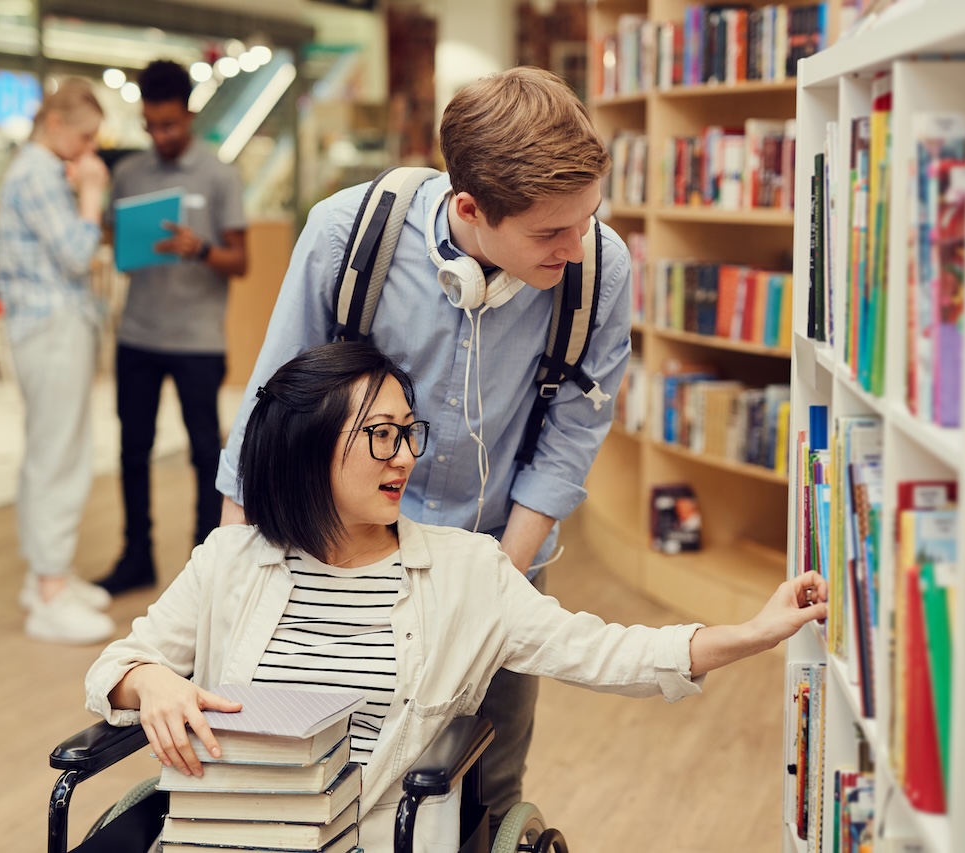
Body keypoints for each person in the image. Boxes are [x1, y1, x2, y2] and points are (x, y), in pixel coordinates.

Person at [86, 342, 828, 852]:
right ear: (309, 445)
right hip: (223, 834)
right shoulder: (231, 559)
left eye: (410, 432)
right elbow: (119, 663)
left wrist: (752, 632)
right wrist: (150, 680)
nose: (405, 455)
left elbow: (607, 652)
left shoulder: (468, 571)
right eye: (381, 435)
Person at [215, 66, 627, 827]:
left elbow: (572, 431)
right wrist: (234, 588)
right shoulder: (348, 238)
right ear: (469, 206)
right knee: (321, 783)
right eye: (549, 232)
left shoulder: (598, 266)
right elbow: (269, 414)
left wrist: (488, 587)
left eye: (588, 218)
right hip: (340, 563)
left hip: (499, 554)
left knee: (486, 787)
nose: (577, 246)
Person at [96, 59, 249, 597]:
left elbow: (241, 260)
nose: (161, 135)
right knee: (131, 451)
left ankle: (204, 570)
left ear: (188, 115)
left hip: (197, 341)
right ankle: (136, 555)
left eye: (170, 125)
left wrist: (200, 248)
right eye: (151, 125)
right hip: (137, 334)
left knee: (206, 453)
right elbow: (114, 245)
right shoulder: (128, 175)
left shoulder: (219, 175)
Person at [0, 78, 114, 644]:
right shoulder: (41, 171)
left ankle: (47, 575)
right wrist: (90, 193)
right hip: (52, 326)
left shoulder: (32, 169)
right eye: (86, 136)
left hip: (47, 326)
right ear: (57, 125)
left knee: (49, 448)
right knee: (60, 454)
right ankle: (49, 592)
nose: (91, 149)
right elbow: (74, 253)